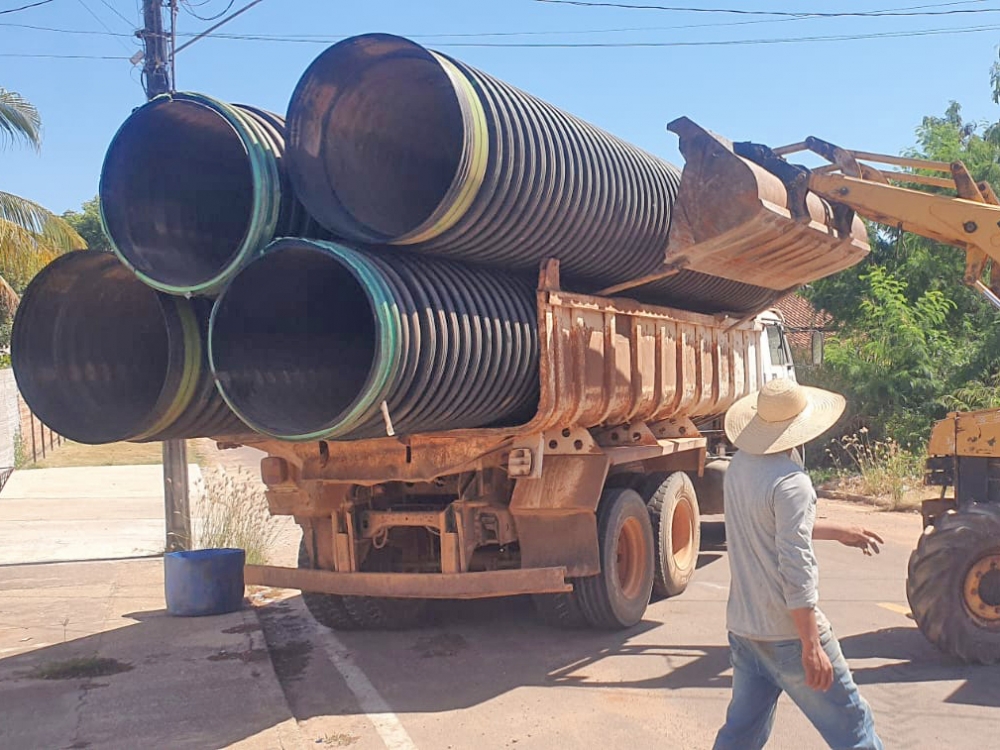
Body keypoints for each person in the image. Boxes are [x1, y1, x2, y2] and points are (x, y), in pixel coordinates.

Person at [712, 378, 885, 750]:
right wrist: (810, 644)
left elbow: (769, 528)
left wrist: (840, 529)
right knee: (854, 730)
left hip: (745, 629)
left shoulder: (740, 466)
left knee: (740, 735)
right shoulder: (792, 482)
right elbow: (796, 565)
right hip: (788, 635)